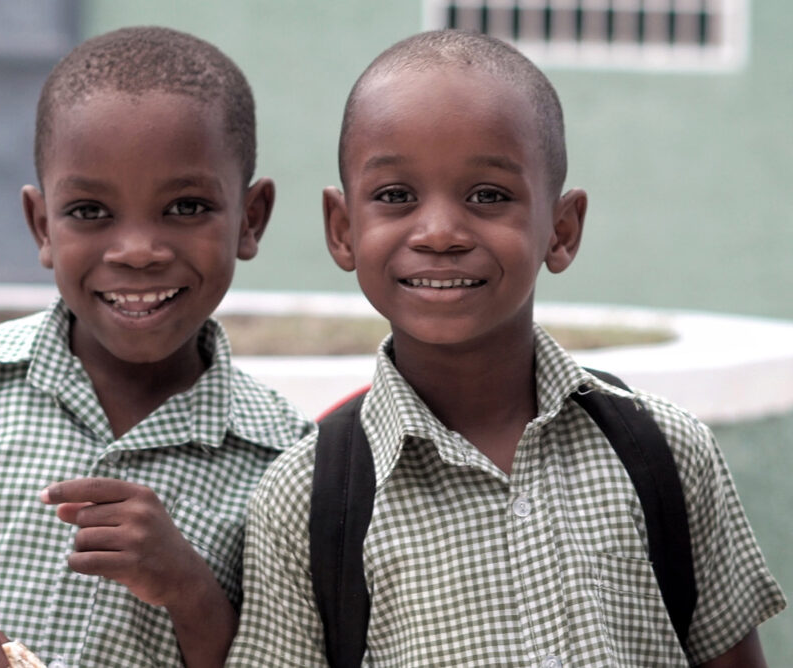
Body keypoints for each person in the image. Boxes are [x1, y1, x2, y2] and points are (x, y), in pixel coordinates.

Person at [227, 29, 785, 667]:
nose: (439, 233)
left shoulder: (665, 452)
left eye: (488, 196)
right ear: (343, 229)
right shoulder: (307, 498)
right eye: (396, 197)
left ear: (562, 229)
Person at [0, 26, 313, 668]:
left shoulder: (285, 457)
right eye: (90, 211)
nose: (136, 250)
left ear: (252, 218)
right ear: (42, 225)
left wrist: (190, 590)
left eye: (185, 207)